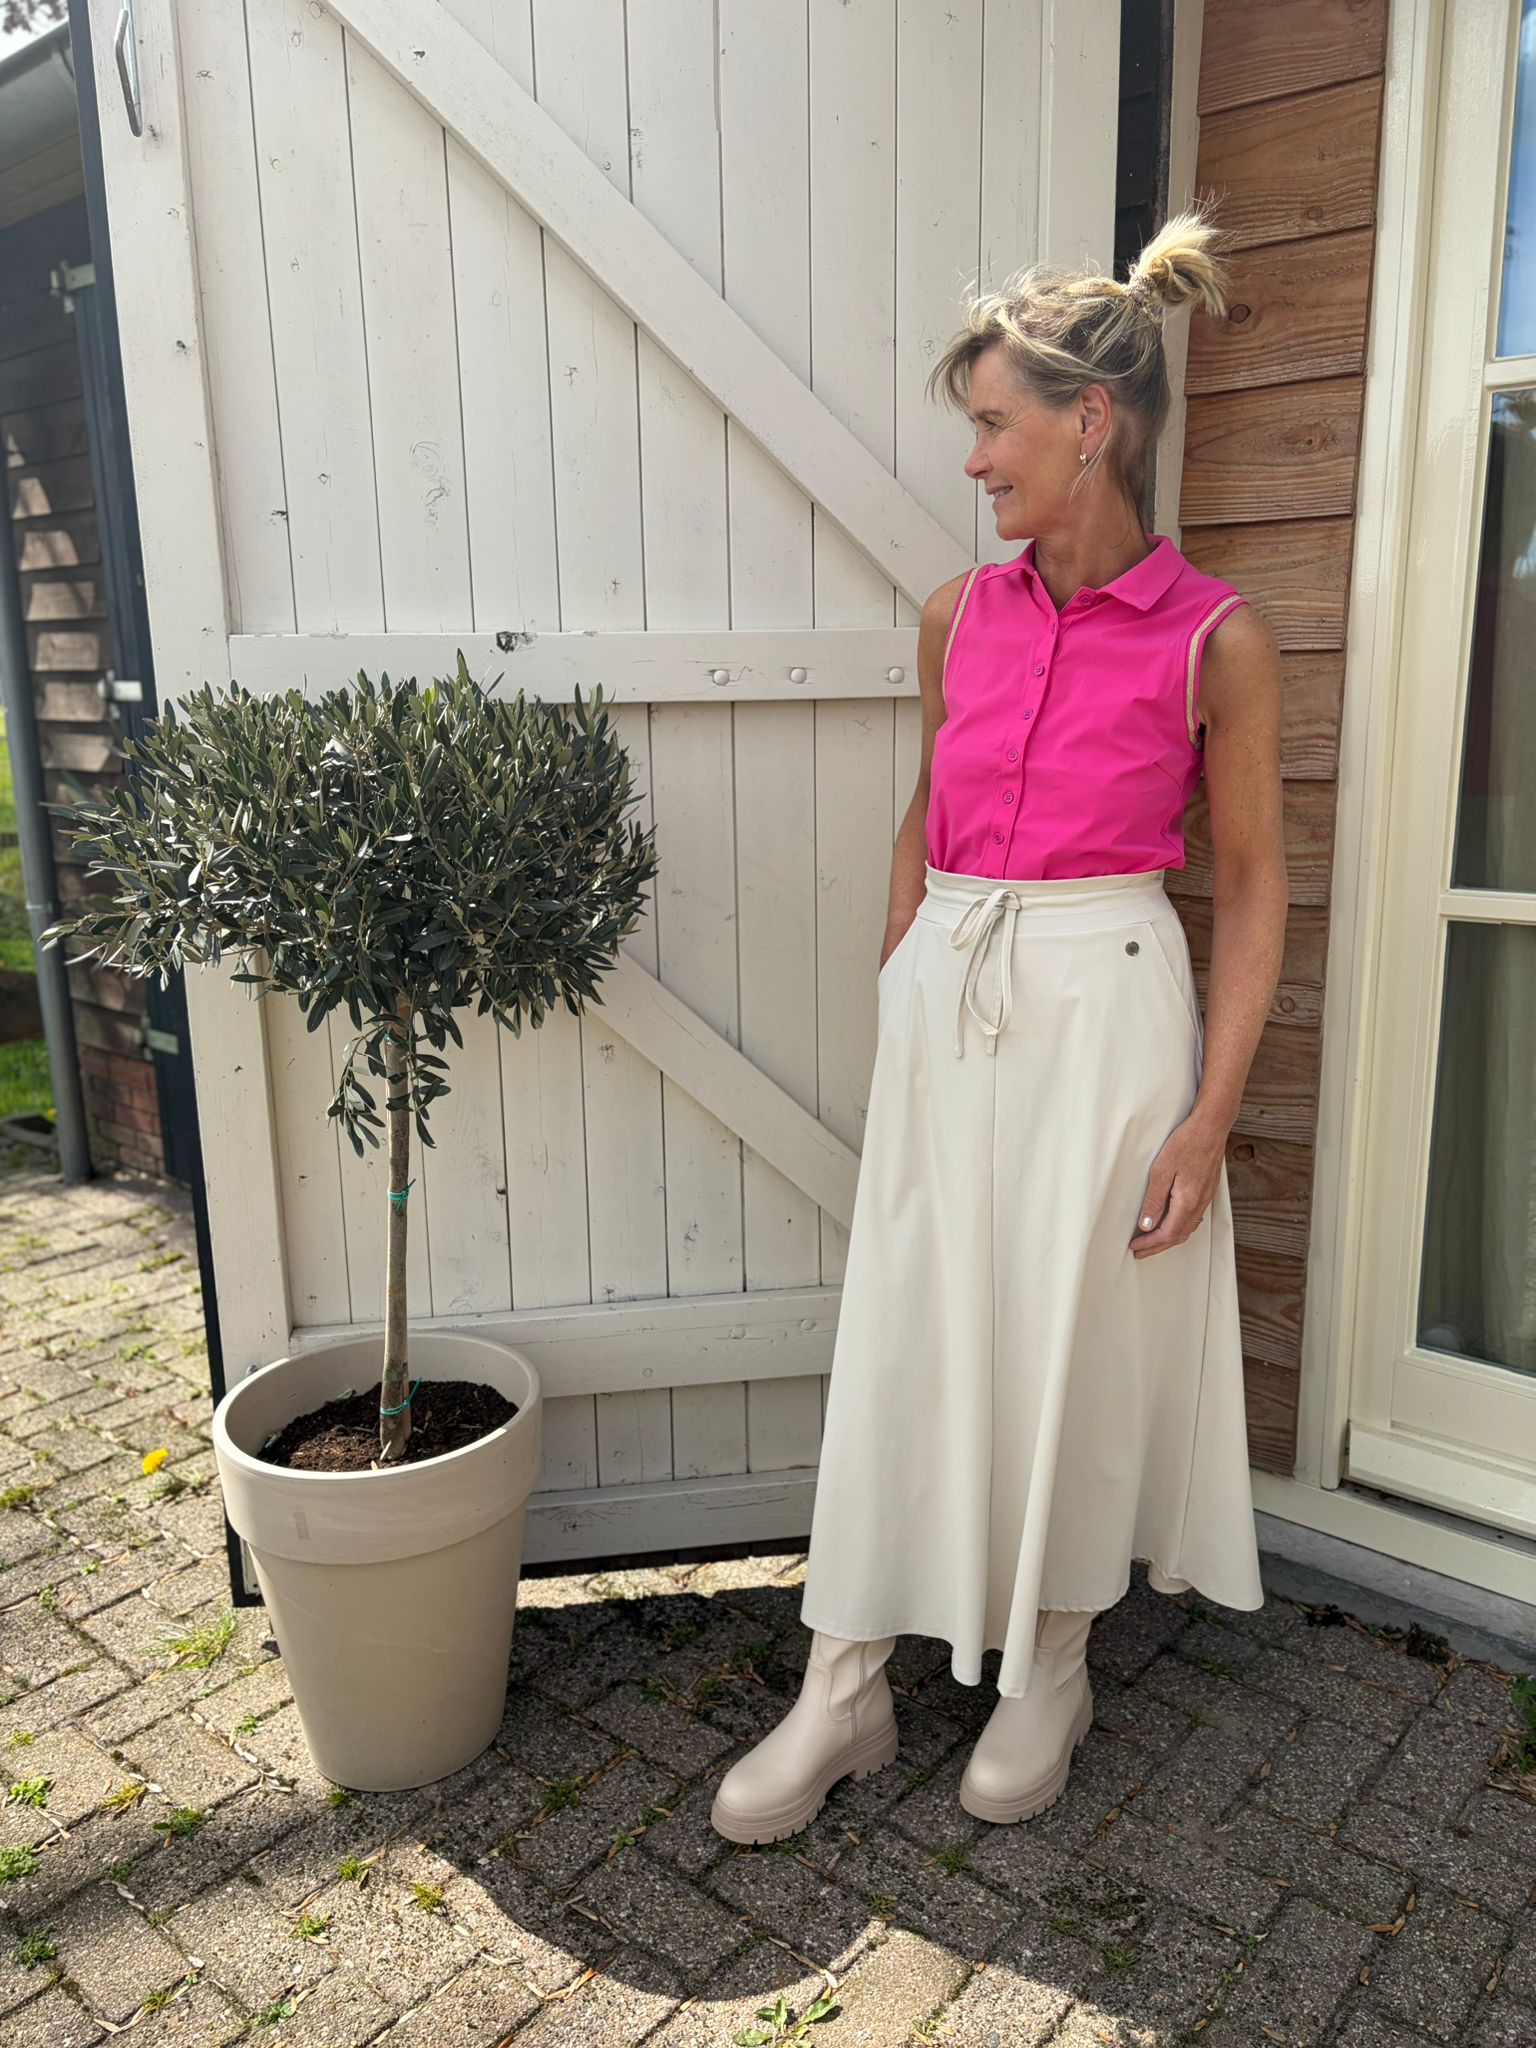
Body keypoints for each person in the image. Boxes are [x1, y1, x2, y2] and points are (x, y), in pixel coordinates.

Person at [710, 203, 1288, 1844]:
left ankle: (1050, 1663)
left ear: (1089, 421)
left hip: (1109, 1007)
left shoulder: (1217, 640)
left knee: (1073, 1335)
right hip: (950, 992)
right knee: (910, 1321)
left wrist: (1207, 1120)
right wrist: (904, 966)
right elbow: (929, 802)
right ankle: (846, 1681)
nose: (972, 460)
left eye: (992, 423)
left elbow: (1255, 885)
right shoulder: (958, 615)